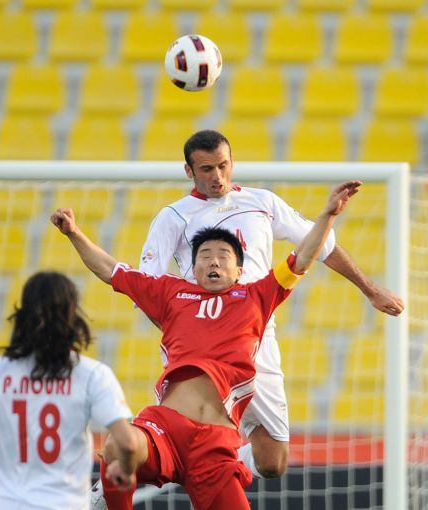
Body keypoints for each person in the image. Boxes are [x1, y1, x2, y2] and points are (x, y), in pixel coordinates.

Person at [50, 180, 361, 509]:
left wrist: (328, 215)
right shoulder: (170, 293)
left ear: (239, 270)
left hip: (215, 447)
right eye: (205, 256)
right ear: (193, 268)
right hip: (165, 429)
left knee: (272, 461)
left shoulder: (258, 296)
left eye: (223, 256)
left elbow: (303, 257)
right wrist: (74, 233)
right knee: (118, 445)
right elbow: (111, 270)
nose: (213, 262)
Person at [135, 130, 404, 480]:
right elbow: (147, 289)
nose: (217, 176)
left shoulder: (262, 202)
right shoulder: (173, 217)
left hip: (257, 336)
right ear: (189, 171)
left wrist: (371, 290)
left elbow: (320, 245)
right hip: (202, 347)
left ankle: (201, 464)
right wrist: (189, 329)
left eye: (222, 166)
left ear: (232, 162)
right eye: (206, 169)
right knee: (187, 435)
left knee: (272, 461)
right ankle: (126, 466)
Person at [0, 271, 139, 510]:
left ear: (22, 316)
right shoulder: (92, 374)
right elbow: (128, 443)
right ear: (73, 315)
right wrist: (125, 468)